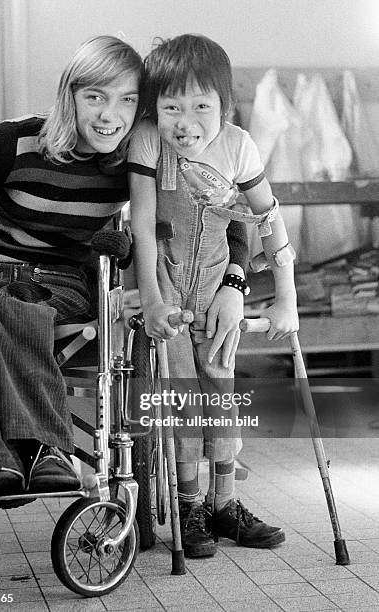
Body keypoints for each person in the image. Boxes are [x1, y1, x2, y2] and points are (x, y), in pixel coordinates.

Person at [0, 35, 144, 506]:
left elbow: (208, 206)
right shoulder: (10, 144)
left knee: (14, 312)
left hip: (61, 286)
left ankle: (25, 453)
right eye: (94, 96)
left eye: (127, 101)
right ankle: (17, 457)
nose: (108, 115)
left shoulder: (136, 160)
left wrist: (128, 248)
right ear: (69, 95)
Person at [129, 34, 299, 557]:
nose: (186, 121)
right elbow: (140, 226)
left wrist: (284, 297)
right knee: (182, 401)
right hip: (167, 293)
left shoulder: (238, 146)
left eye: (202, 106)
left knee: (220, 397)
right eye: (171, 106)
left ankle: (224, 505)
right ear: (155, 107)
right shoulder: (147, 141)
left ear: (225, 107)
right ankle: (189, 503)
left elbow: (267, 220)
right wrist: (154, 300)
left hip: (216, 290)